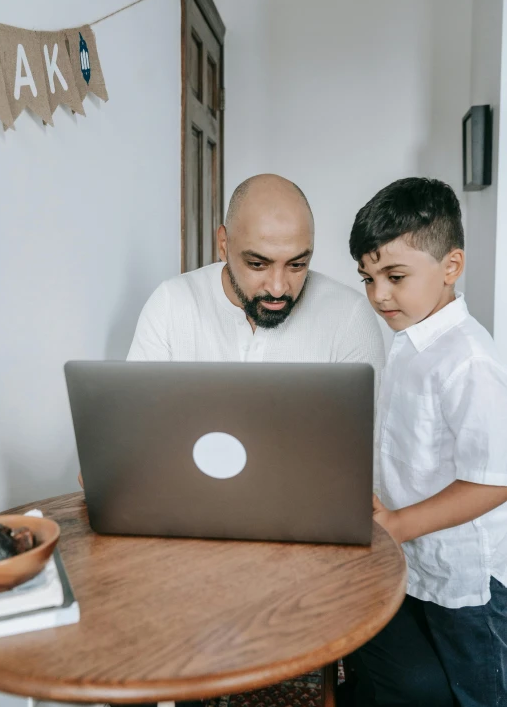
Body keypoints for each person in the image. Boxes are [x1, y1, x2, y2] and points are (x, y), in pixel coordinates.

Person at [348, 177, 507, 707]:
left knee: (478, 693)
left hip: (467, 579)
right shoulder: (410, 339)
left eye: (394, 276)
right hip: (418, 556)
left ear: (451, 267)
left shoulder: (468, 360)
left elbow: (494, 481)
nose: (378, 295)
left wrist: (395, 524)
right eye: (368, 279)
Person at [127, 173, 384, 370]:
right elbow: (138, 421)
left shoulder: (349, 317)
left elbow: (362, 437)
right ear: (224, 245)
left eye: (297, 265)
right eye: (258, 264)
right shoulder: (171, 303)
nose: (277, 287)